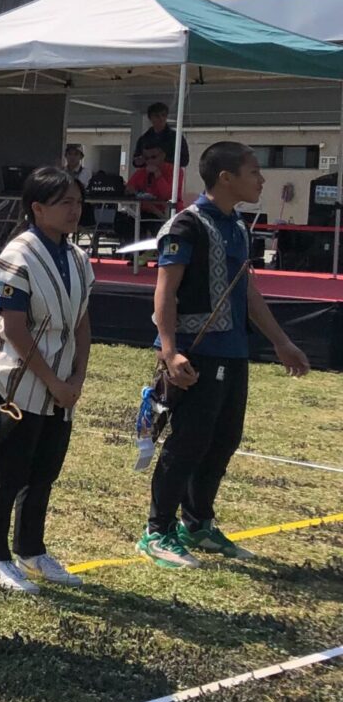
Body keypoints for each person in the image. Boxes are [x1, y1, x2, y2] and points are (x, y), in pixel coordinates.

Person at [140, 141, 310, 567]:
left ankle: (197, 522)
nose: (262, 179)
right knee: (189, 441)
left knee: (224, 439)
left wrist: (280, 340)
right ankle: (157, 531)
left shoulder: (238, 226)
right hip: (199, 352)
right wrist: (169, 350)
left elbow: (248, 291)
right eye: (254, 172)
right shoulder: (186, 226)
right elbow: (166, 291)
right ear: (225, 178)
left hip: (234, 351)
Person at [0, 166, 95, 593]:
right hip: (21, 378)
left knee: (45, 468)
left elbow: (81, 322)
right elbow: (15, 328)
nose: (74, 211)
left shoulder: (78, 258)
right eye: (65, 203)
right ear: (37, 208)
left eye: (78, 202)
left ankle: (31, 548)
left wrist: (77, 376)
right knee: (11, 469)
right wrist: (53, 381)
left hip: (62, 381)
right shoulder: (18, 257)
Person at [134, 102, 189, 172]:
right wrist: (143, 159)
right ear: (150, 118)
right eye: (157, 116)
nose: (161, 119)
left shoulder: (176, 138)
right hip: (149, 177)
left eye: (163, 115)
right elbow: (135, 161)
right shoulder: (143, 139)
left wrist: (163, 158)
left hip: (170, 177)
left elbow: (184, 160)